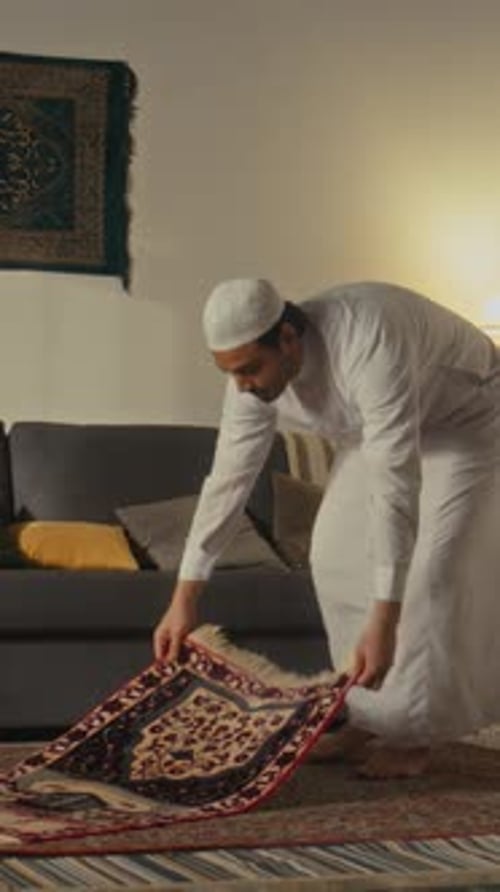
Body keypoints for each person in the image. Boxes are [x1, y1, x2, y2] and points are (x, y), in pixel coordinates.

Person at [153, 278, 500, 777]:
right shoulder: (247, 382)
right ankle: (368, 718)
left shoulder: (370, 342)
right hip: (373, 429)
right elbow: (228, 481)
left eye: (249, 369)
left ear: (288, 339)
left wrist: (384, 620)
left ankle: (410, 737)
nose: (242, 384)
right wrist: (183, 599)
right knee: (333, 554)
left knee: (427, 573)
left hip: (465, 422)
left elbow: (395, 486)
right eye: (229, 372)